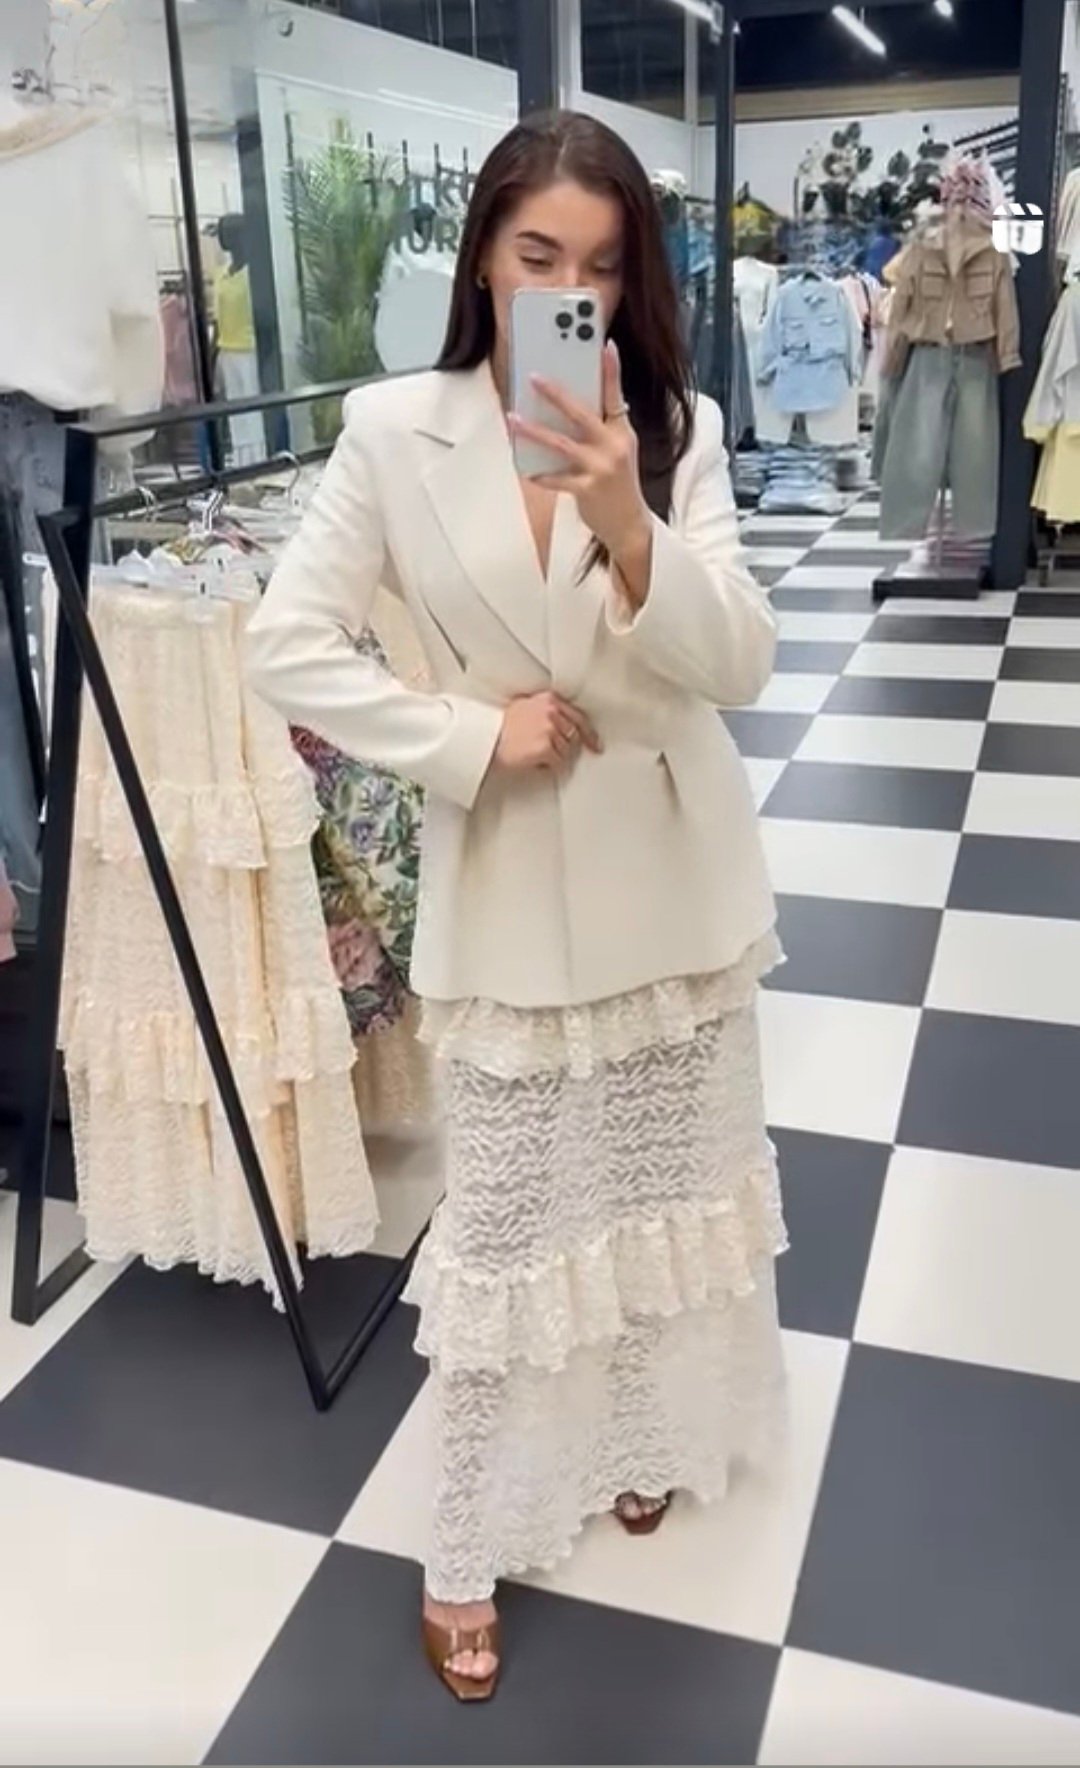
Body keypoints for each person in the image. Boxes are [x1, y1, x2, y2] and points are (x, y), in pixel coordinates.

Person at [246, 109, 786, 1704]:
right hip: (509, 883)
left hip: (674, 881)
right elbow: (287, 645)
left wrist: (627, 516)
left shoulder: (674, 429)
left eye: (601, 268)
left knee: (663, 1196)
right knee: (503, 1230)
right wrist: (469, 736)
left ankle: (639, 1439)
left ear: (633, 283)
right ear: (484, 253)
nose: (570, 291)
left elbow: (741, 665)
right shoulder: (391, 428)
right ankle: (465, 1549)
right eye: (539, 254)